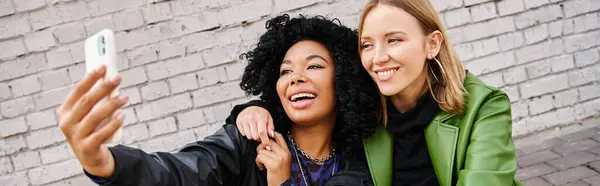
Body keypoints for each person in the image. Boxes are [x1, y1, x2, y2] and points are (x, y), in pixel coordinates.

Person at [57, 14, 379, 186]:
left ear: (344, 80)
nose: (295, 77)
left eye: (314, 66)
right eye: (285, 70)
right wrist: (105, 163)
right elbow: (178, 173)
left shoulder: (366, 161)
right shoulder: (248, 142)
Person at [230, 0, 524, 186]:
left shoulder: (484, 107)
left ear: (432, 44)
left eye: (394, 40)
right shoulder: (364, 106)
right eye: (368, 44)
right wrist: (252, 110)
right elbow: (307, 98)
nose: (378, 57)